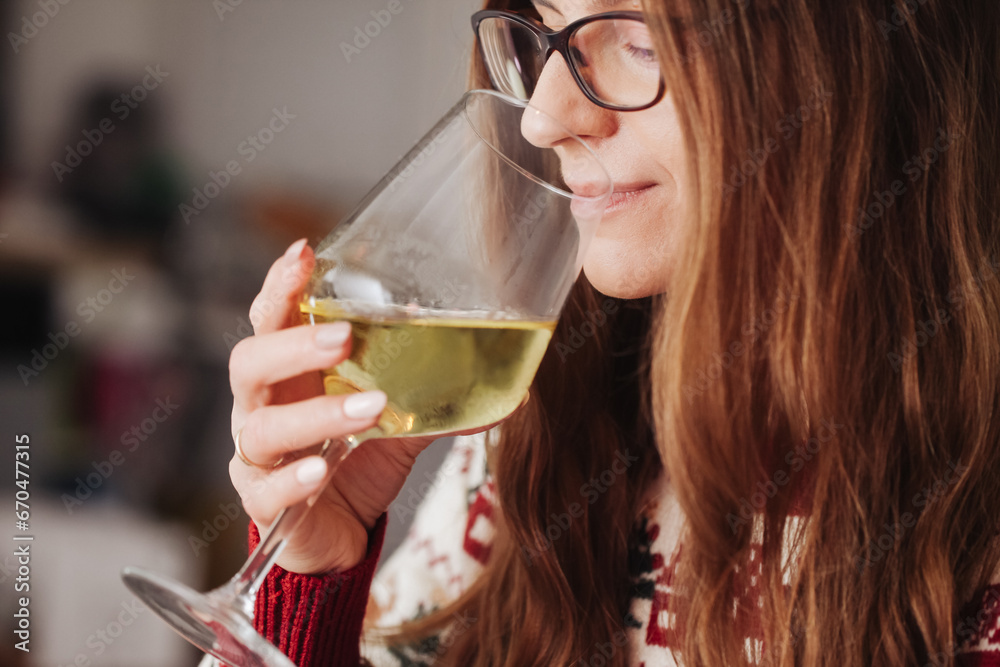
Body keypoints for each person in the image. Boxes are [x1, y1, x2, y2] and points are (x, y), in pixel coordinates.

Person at [226, 0, 1000, 665]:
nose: (543, 116)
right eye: (548, 27)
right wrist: (312, 572)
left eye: (641, 41)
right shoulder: (526, 431)